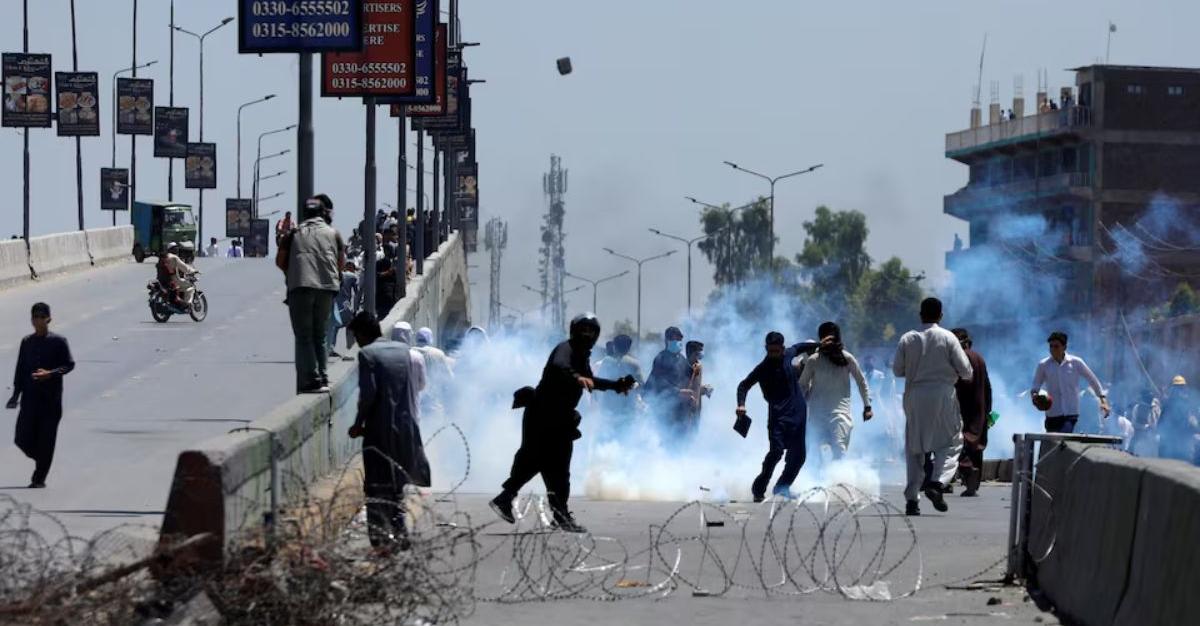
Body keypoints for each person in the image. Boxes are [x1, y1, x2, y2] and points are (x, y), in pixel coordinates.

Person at [490, 314, 635, 532]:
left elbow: (591, 381)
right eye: (583, 330)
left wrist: (616, 385)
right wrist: (577, 378)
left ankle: (551, 511)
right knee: (538, 461)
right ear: (574, 330)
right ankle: (542, 508)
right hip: (542, 414)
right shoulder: (565, 349)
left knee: (554, 467)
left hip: (559, 418)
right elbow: (559, 367)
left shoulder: (581, 356)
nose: (587, 334)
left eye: (591, 331)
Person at [346, 312, 431, 550]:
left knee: (375, 485)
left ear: (363, 334)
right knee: (397, 485)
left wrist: (358, 424)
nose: (357, 342)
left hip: (380, 431)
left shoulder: (368, 354)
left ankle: (380, 539)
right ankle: (400, 532)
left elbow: (368, 395)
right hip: (407, 428)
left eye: (357, 336)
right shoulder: (403, 351)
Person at [892, 298, 973, 516]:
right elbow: (966, 371)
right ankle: (937, 483)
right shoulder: (948, 337)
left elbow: (897, 370)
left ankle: (912, 500)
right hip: (943, 394)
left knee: (914, 447)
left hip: (915, 395)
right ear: (941, 316)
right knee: (953, 440)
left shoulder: (907, 338)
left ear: (920, 314)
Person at [277, 194, 345, 394]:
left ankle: (311, 379)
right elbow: (341, 263)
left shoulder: (293, 234)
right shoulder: (334, 234)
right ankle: (323, 376)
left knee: (304, 336)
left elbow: (280, 261)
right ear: (325, 214)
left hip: (301, 287)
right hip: (327, 289)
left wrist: (295, 272)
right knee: (320, 335)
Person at [6, 303, 74, 488]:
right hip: (29, 399)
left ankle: (39, 478)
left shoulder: (58, 342)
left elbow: (69, 365)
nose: (37, 320)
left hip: (50, 401)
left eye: (40, 317)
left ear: (48, 319)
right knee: (21, 438)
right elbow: (20, 369)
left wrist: (50, 374)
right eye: (34, 317)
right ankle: (42, 459)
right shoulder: (27, 342)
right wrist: (15, 395)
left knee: (47, 439)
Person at [737, 332, 810, 502]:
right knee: (776, 452)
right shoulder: (763, 368)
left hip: (798, 414)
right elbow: (743, 385)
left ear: (782, 349)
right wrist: (741, 404)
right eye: (770, 351)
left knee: (799, 456)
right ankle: (758, 488)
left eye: (776, 351)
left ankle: (782, 486)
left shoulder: (788, 355)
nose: (773, 355)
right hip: (777, 417)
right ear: (766, 349)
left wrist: (821, 344)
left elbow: (800, 347)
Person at [798, 322, 872, 464]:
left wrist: (867, 406)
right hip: (817, 415)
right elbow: (802, 386)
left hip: (840, 415)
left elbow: (861, 381)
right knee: (813, 452)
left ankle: (838, 481)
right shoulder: (814, 360)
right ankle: (815, 483)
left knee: (839, 451)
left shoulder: (847, 358)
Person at [1030, 331, 1109, 433]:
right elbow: (1035, 386)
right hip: (1052, 414)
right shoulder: (1043, 365)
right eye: (1051, 346)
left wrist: (1103, 401)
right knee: (1050, 444)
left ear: (1064, 347)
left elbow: (1092, 380)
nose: (1053, 350)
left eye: (1056, 346)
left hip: (1070, 414)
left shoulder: (1076, 362)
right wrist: (1036, 398)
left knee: (1063, 439)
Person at [950, 328, 992, 497]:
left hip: (963, 406)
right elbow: (988, 386)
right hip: (979, 407)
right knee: (977, 446)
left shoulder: (959, 357)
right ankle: (972, 486)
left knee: (960, 442)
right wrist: (988, 409)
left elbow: (956, 384)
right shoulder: (979, 358)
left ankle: (968, 470)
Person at [645, 327, 695, 438]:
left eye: (680, 339)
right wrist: (678, 392)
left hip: (681, 409)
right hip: (665, 408)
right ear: (668, 340)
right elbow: (658, 381)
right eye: (676, 339)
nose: (679, 342)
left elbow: (690, 377)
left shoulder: (681, 359)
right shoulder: (661, 358)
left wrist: (701, 388)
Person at [390, 322, 428, 422]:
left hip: (390, 413)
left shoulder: (385, 357)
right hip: (412, 412)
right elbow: (422, 385)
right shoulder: (417, 357)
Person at [414, 327, 455, 415]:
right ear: (430, 338)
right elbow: (449, 378)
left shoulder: (409, 352)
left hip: (414, 404)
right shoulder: (438, 354)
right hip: (433, 404)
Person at [1158, 376, 1199, 464]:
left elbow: (1160, 425)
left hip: (1171, 446)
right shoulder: (1186, 404)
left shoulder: (1167, 404)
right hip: (1180, 447)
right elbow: (1192, 425)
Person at [327, 260, 360, 360]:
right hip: (346, 306)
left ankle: (330, 348)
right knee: (350, 326)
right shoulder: (352, 276)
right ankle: (350, 349)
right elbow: (357, 292)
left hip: (335, 305)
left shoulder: (334, 274)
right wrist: (356, 308)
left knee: (334, 327)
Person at [157, 241, 198, 308]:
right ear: (172, 249)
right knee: (190, 287)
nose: (177, 249)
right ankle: (186, 305)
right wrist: (194, 271)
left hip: (162, 279)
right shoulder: (174, 257)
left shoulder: (164, 257)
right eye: (175, 248)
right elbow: (184, 268)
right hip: (173, 279)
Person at [1126, 387, 1160, 457]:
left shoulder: (1155, 408)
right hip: (1139, 438)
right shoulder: (1137, 408)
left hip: (1152, 439)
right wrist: (1145, 427)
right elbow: (1134, 424)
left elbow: (1157, 423)